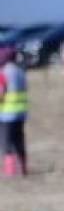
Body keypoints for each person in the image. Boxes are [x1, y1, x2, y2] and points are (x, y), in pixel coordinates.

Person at [0, 45, 28, 177]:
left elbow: (1, 93)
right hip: (21, 113)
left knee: (6, 141)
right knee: (19, 140)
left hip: (6, 113)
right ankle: (23, 166)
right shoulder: (21, 72)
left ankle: (10, 169)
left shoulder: (3, 73)